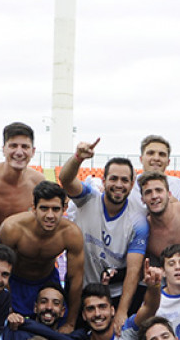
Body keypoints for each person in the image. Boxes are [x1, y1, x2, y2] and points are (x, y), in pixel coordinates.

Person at [58, 139, 148, 330]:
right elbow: (65, 180)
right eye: (113, 179)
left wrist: (122, 311)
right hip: (80, 290)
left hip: (114, 294)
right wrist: (77, 158)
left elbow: (133, 272)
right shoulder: (88, 199)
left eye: (125, 180)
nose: (119, 184)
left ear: (132, 185)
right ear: (104, 180)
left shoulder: (138, 221)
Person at [0, 180, 85, 324]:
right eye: (44, 208)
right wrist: (8, 309)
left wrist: (70, 323)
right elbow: (1, 270)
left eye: (56, 209)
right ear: (34, 208)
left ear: (64, 208)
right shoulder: (12, 228)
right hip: (14, 282)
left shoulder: (71, 233)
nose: (50, 215)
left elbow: (76, 279)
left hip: (48, 283)